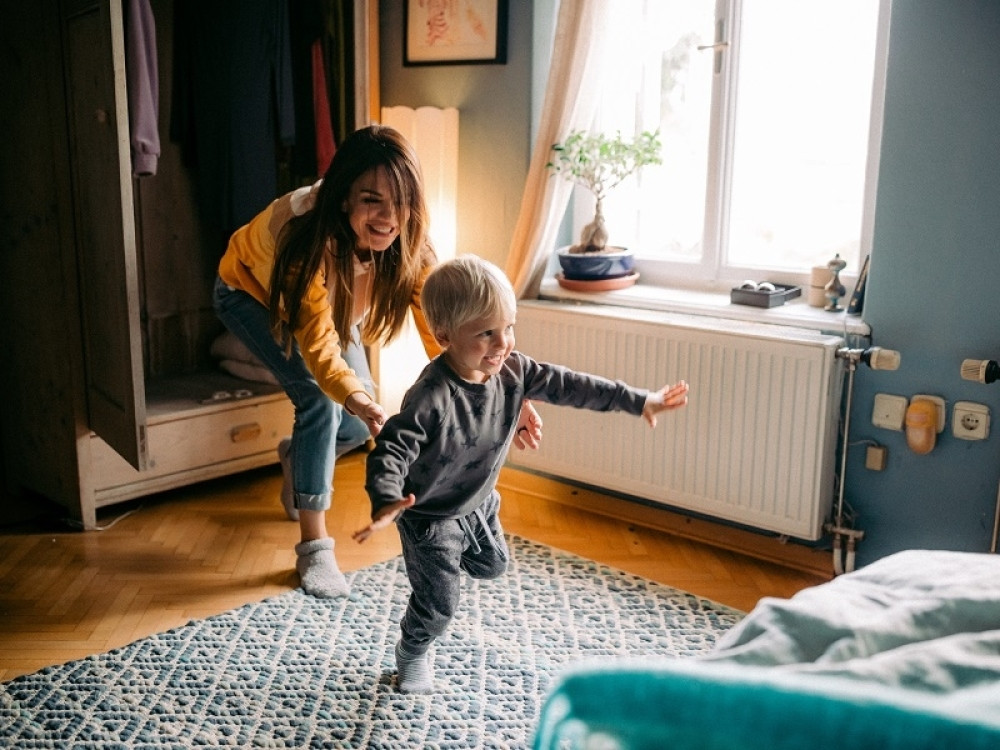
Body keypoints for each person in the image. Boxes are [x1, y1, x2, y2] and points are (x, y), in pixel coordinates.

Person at [213, 125, 542, 599]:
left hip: (330, 304)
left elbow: (448, 332)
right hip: (250, 291)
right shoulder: (303, 238)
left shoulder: (411, 242)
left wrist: (510, 393)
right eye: (372, 200)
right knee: (321, 399)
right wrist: (361, 399)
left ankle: (299, 460)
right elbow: (321, 348)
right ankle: (314, 547)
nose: (390, 218)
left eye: (402, 203)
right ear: (344, 197)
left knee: (347, 426)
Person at [353, 255, 690, 693]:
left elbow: (573, 385)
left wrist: (639, 400)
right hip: (430, 516)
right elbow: (393, 447)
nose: (502, 343)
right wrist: (385, 498)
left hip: (478, 500)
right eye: (486, 333)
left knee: (493, 566)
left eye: (508, 327)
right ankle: (412, 653)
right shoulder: (431, 395)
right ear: (444, 336)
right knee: (440, 604)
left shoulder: (514, 371)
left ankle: (482, 512)